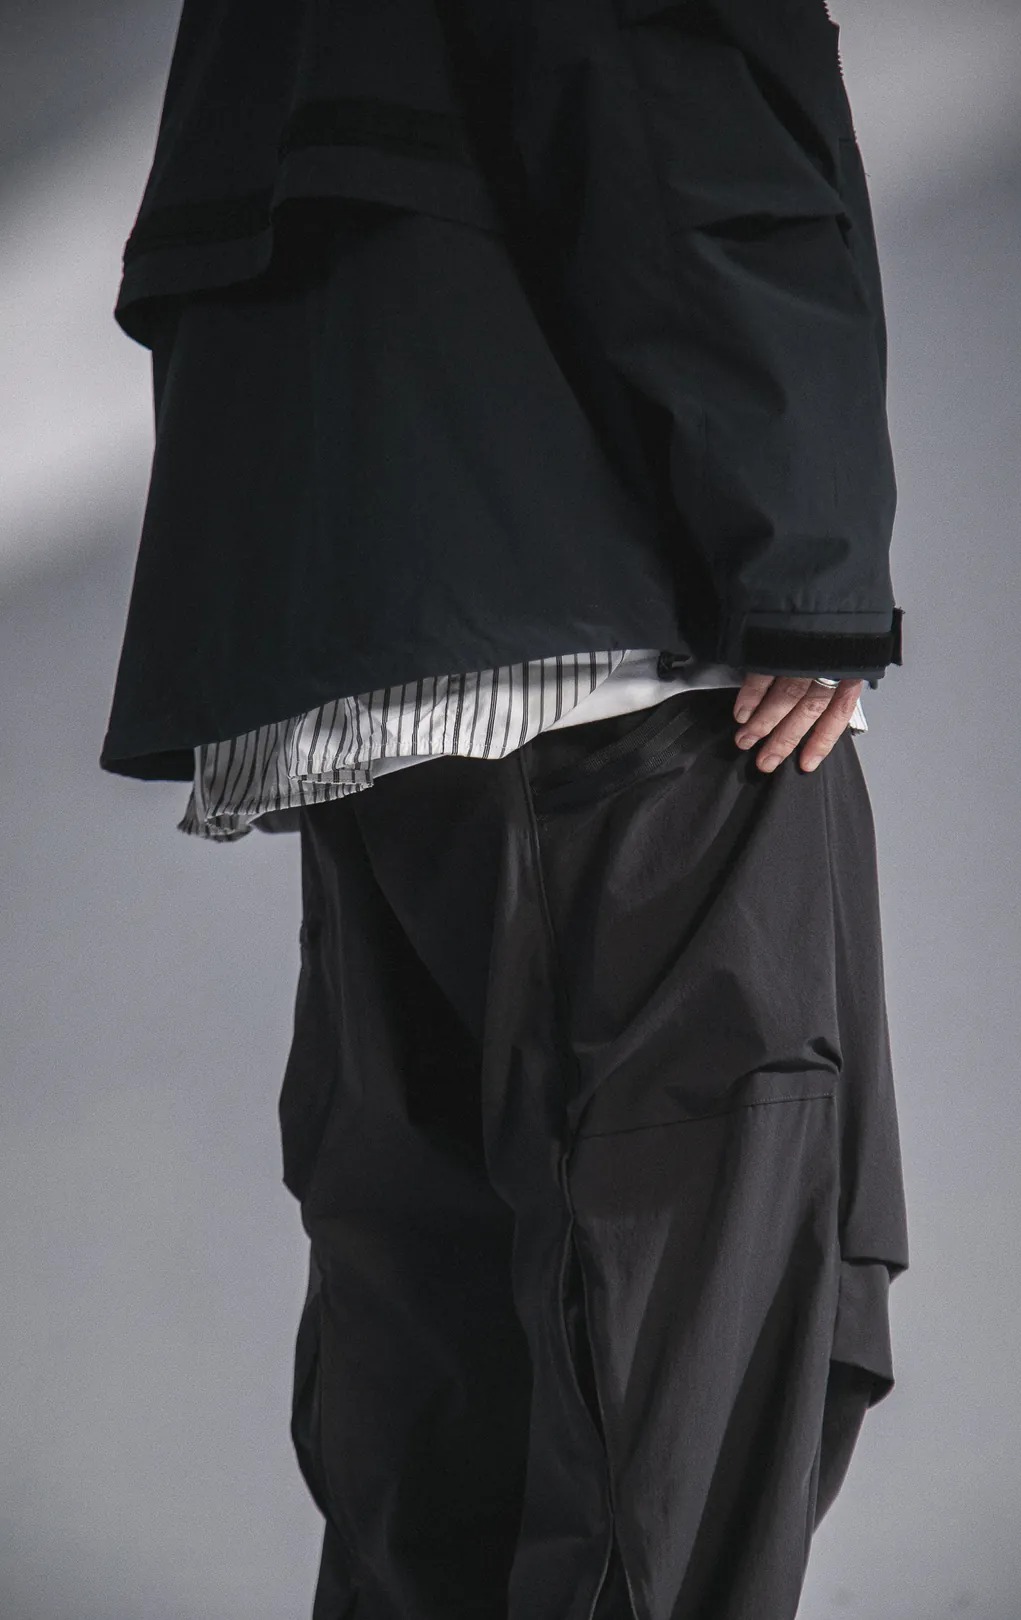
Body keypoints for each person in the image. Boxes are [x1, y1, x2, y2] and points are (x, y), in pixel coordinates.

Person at [99, 2, 909, 1615]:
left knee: (434, 1374)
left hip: (368, 655)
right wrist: (807, 562)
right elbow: (683, 110)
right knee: (676, 1385)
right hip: (614, 656)